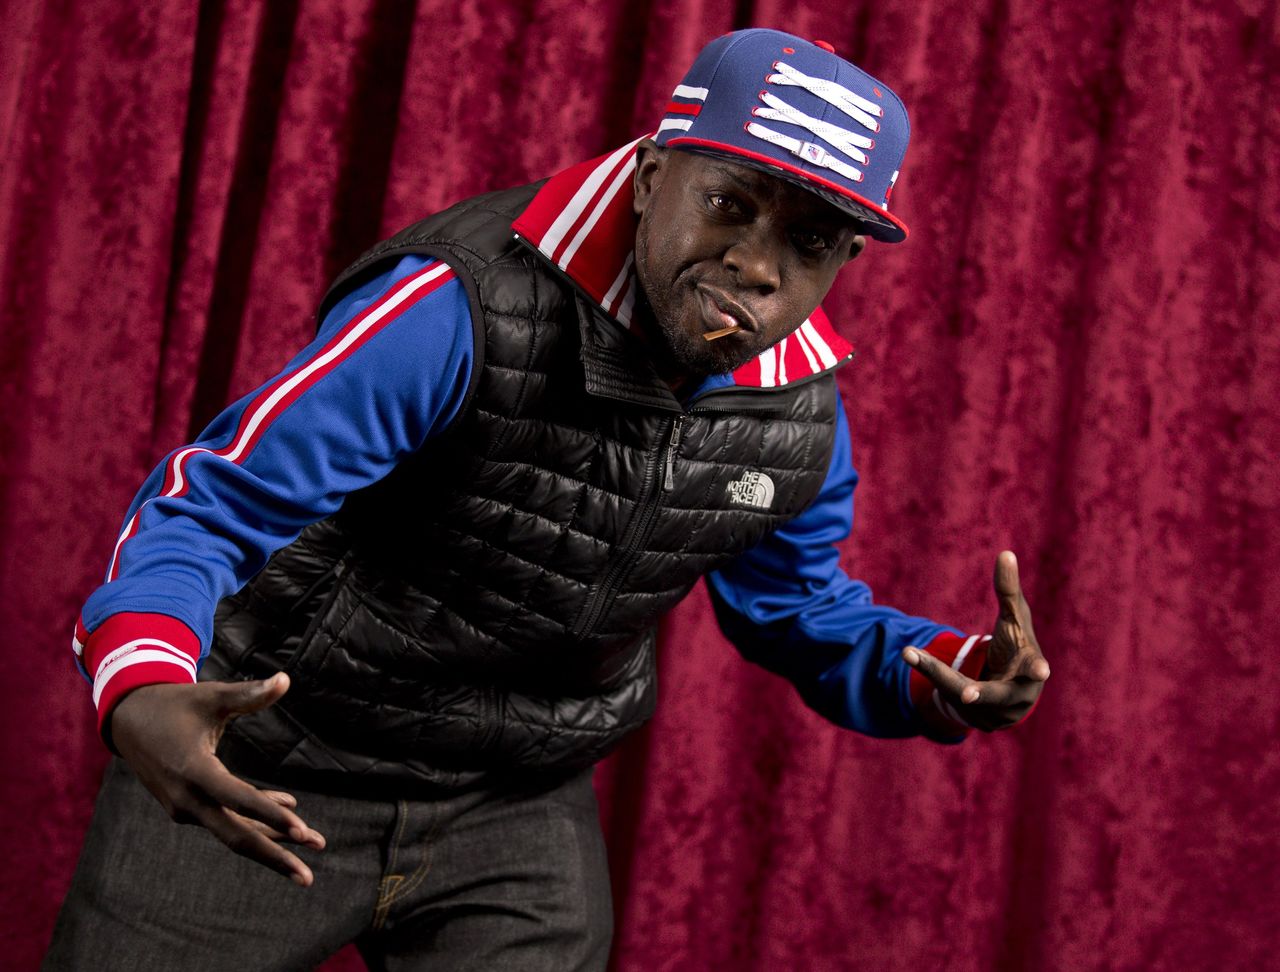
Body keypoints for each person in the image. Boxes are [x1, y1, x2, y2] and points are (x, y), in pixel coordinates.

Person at [46, 28, 1049, 971]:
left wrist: (943, 674)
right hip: (273, 756)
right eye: (729, 204)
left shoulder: (794, 415)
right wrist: (142, 683)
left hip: (514, 804)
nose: (756, 264)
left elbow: (796, 608)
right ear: (656, 172)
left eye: (811, 240)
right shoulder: (455, 307)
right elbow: (214, 500)